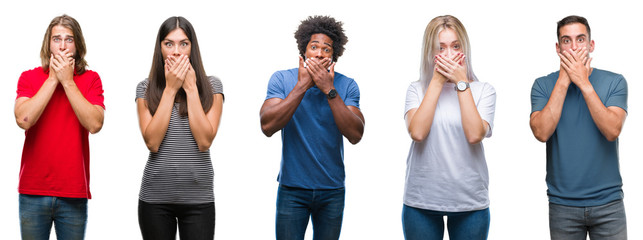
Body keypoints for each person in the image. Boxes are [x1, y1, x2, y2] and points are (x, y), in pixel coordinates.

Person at [259, 15, 365, 240]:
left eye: (326, 49)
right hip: (292, 190)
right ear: (303, 52)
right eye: (313, 47)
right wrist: (302, 86)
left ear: (333, 55)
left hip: (332, 191)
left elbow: (356, 134)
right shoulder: (282, 79)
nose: (319, 53)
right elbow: (267, 126)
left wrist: (329, 90)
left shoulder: (347, 85)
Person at [529, 15, 628, 240]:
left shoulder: (615, 82)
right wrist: (565, 79)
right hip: (562, 205)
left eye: (580, 39)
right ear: (558, 47)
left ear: (591, 45)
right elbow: (541, 132)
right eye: (566, 41)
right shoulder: (542, 85)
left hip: (609, 204)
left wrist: (583, 82)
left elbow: (612, 130)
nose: (574, 47)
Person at [402, 15, 496, 240]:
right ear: (430, 52)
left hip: (470, 201)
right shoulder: (416, 89)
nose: (449, 54)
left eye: (455, 46)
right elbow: (417, 132)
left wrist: (461, 83)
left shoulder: (484, 90)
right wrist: (436, 81)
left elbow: (475, 134)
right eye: (440, 48)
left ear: (464, 49)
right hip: (421, 200)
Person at [14, 14, 105, 240]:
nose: (62, 46)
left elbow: (95, 124)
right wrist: (53, 79)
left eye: (69, 39)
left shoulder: (92, 79)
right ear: (48, 44)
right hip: (33, 192)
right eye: (57, 39)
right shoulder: (29, 77)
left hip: (73, 192)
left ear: (78, 45)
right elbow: (23, 119)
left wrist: (68, 81)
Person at [135, 16, 224, 240]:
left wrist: (191, 88)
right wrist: (170, 89)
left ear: (192, 48)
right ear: (160, 48)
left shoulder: (213, 86)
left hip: (199, 200)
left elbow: (204, 141)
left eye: (183, 44)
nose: (176, 51)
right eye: (169, 44)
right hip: (155, 199)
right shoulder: (145, 88)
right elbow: (152, 142)